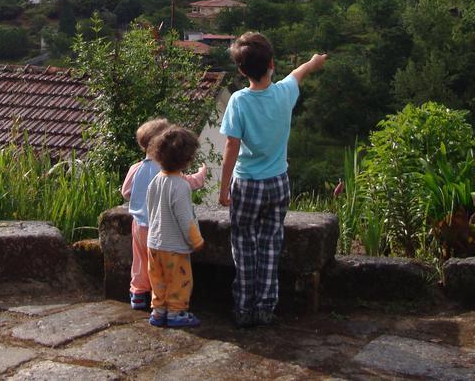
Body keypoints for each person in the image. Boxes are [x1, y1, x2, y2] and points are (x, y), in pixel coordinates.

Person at [218, 32, 327, 327]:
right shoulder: (283, 93)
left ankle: (244, 308)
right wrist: (313, 62)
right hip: (278, 182)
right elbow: (298, 73)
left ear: (241, 71)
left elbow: (231, 146)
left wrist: (224, 185)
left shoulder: (239, 101)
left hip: (247, 183)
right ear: (272, 64)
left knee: (243, 244)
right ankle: (266, 307)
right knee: (270, 244)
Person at [121, 118, 207, 311]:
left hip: (137, 224)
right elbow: (189, 183)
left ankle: (137, 293)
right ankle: (169, 303)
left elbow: (126, 192)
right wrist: (201, 174)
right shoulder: (165, 171)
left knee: (141, 261)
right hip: (158, 227)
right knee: (166, 269)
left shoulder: (136, 168)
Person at [145, 125, 205, 327]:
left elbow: (151, 209)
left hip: (154, 243)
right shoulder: (180, 186)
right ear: (187, 159)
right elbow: (185, 218)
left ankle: (158, 310)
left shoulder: (155, 181)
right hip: (174, 247)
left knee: (158, 280)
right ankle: (176, 313)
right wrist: (196, 241)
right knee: (179, 281)